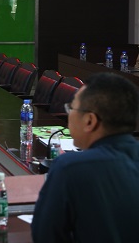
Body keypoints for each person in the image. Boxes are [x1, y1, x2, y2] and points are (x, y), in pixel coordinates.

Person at [31, 72, 139, 242]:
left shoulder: (70, 168)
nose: (69, 115)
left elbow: (45, 236)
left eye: (71, 108)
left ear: (90, 121)